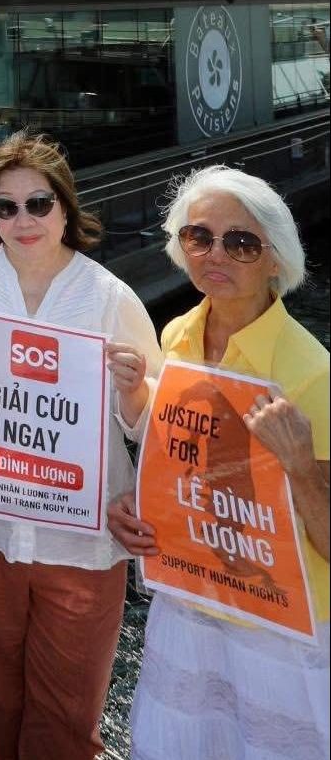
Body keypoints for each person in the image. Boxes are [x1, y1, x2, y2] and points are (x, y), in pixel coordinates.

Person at [0, 131, 159, 760]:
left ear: (65, 207)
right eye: (5, 207)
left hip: (80, 544)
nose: (23, 220)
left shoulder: (108, 296)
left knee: (65, 717)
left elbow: (149, 428)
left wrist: (134, 393)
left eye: (39, 204)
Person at [106, 166, 329, 760]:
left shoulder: (313, 374)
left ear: (276, 258)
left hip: (279, 635)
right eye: (198, 236)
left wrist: (302, 467)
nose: (215, 254)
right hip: (192, 608)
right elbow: (176, 467)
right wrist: (137, 507)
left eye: (241, 241)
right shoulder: (178, 335)